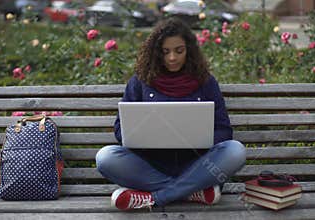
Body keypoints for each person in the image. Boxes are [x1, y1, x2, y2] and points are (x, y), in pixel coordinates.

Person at [95, 17, 246, 211]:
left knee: (235, 151)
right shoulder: (140, 81)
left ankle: (155, 198)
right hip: (151, 166)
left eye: (179, 51)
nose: (172, 58)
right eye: (165, 52)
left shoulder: (205, 82)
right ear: (156, 52)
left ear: (189, 50)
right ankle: (192, 192)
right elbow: (119, 129)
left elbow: (224, 130)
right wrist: (141, 137)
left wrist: (199, 139)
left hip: (196, 164)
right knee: (105, 157)